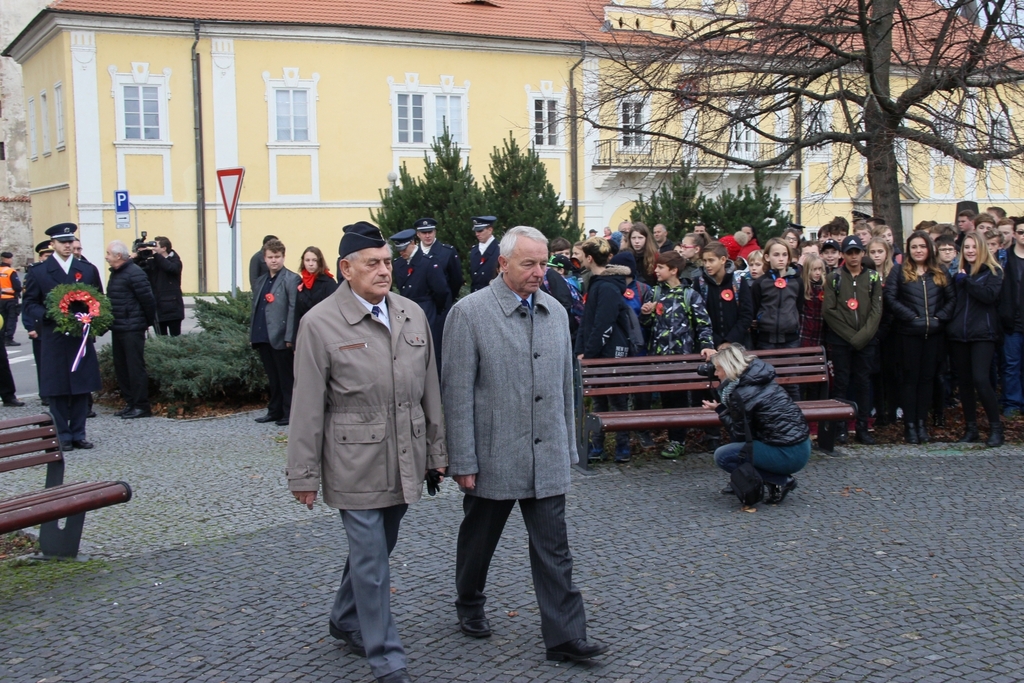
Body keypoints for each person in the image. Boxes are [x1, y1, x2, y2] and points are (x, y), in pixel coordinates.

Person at [287, 221, 447, 683]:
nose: (384, 271)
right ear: (346, 269)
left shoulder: (412, 314)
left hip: (405, 455)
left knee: (380, 547)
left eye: (387, 262)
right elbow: (306, 406)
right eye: (372, 263)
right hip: (352, 461)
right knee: (373, 560)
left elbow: (429, 390)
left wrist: (438, 451)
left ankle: (344, 616)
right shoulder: (319, 324)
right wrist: (303, 474)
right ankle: (386, 656)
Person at [441, 225, 608, 663]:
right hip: (494, 454)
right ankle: (469, 600)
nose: (539, 272)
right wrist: (462, 458)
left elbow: (565, 387)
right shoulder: (469, 314)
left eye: (543, 263)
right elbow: (455, 393)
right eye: (528, 263)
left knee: (555, 548)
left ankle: (565, 636)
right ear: (502, 264)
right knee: (479, 540)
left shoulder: (554, 310)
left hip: (547, 451)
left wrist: (569, 447)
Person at [22, 223, 103, 450]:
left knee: (80, 386)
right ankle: (62, 435)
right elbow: (30, 304)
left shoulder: (86, 269)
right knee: (57, 387)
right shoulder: (38, 272)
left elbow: (98, 299)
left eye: (70, 242)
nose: (68, 246)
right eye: (62, 243)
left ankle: (78, 433)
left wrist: (92, 318)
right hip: (54, 336)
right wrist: (48, 315)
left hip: (79, 336)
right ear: (53, 244)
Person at [706, 344, 810, 503]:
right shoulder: (756, 378)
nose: (715, 373)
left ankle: (780, 481)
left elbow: (739, 435)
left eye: (718, 369)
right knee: (739, 450)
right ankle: (771, 481)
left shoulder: (741, 393)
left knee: (723, 456)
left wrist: (722, 410)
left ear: (728, 369)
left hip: (789, 453)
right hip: (800, 446)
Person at [640, 251, 715, 459]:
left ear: (673, 271)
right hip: (660, 359)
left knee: (680, 399)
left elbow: (703, 325)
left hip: (682, 359)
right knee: (667, 399)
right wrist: (646, 313)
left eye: (660, 267)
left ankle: (678, 440)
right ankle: (673, 437)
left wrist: (707, 345)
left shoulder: (690, 295)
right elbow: (646, 326)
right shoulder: (654, 293)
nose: (656, 271)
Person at [885, 231, 956, 443]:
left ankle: (922, 424)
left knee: (927, 380)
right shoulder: (899, 271)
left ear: (929, 249)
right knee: (910, 380)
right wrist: (910, 317)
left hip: (934, 335)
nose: (918, 250)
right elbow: (890, 298)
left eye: (922, 246)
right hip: (908, 334)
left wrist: (938, 318)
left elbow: (952, 299)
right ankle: (910, 425)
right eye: (914, 247)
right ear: (909, 249)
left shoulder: (940, 271)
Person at [822, 235, 884, 445]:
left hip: (867, 340)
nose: (854, 256)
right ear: (843, 255)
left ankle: (862, 427)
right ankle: (840, 428)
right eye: (849, 252)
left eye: (857, 252)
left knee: (863, 383)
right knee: (841, 383)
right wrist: (851, 336)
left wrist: (863, 336)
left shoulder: (874, 278)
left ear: (862, 253)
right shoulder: (834, 278)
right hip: (841, 340)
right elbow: (829, 311)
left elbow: (877, 311)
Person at [575, 237, 633, 462]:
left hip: (610, 351)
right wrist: (581, 349)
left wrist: (589, 352)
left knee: (617, 400)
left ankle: (622, 447)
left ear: (589, 258)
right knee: (598, 401)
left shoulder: (607, 286)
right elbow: (587, 321)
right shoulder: (597, 282)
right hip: (596, 351)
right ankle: (597, 446)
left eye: (581, 255)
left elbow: (603, 324)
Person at [947, 233, 1005, 446]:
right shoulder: (959, 274)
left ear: (982, 249)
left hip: (983, 334)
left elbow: (988, 296)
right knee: (964, 383)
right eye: (966, 247)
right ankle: (971, 428)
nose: (970, 250)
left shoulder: (993, 272)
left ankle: (996, 428)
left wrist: (967, 281)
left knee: (981, 379)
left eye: (974, 247)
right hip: (959, 334)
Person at [250, 238, 300, 427]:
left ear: (283, 257)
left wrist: (290, 336)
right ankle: (274, 410)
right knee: (272, 377)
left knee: (285, 377)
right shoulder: (261, 280)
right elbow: (256, 307)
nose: (274, 261)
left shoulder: (291, 279)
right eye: (270, 257)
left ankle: (289, 412)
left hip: (281, 336)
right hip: (263, 335)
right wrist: (253, 333)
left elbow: (293, 308)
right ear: (265, 258)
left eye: (277, 257)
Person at [105, 240, 158, 419]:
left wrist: (145, 322)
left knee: (135, 368)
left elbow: (148, 300)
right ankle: (131, 402)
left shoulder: (134, 273)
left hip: (132, 328)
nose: (106, 257)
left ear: (118, 256)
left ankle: (141, 405)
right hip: (119, 326)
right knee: (122, 368)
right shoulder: (117, 273)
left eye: (108, 254)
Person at [750, 239, 803, 401]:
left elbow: (799, 307)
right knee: (768, 383)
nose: (781, 258)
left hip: (790, 339)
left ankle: (795, 422)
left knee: (791, 382)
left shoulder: (796, 282)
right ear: (767, 257)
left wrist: (792, 322)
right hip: (766, 340)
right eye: (776, 254)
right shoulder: (760, 283)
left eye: (784, 255)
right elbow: (755, 307)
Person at [391, 228, 450, 364]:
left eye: (404, 248)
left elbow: (441, 291)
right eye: (399, 249)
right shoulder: (398, 264)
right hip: (406, 311)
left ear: (413, 243)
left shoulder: (428, 262)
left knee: (430, 352)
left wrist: (435, 310)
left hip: (426, 309)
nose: (402, 252)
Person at [699, 241, 753, 349]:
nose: (707, 265)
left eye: (711, 260)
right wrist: (718, 341)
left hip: (738, 344)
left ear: (723, 260)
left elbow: (746, 315)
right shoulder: (700, 283)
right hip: (711, 345)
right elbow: (699, 317)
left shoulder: (738, 282)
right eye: (704, 261)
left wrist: (729, 341)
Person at [999, 218, 1024, 417]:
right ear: (1014, 234)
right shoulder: (1004, 259)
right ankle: (1012, 404)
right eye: (1021, 231)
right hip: (1011, 323)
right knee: (1011, 365)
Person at [136, 236, 185, 336]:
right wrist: (137, 256)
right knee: (161, 339)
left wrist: (156, 256)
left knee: (175, 339)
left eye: (155, 246)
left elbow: (170, 268)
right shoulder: (153, 260)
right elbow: (139, 270)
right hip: (158, 308)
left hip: (173, 308)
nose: (153, 248)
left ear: (164, 248)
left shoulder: (175, 260)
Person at [415, 217, 464, 302]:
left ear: (435, 232)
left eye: (430, 232)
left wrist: (448, 299)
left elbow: (457, 280)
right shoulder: (414, 253)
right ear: (418, 234)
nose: (427, 236)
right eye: (424, 233)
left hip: (441, 305)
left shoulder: (447, 252)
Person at [294, 246, 339, 328]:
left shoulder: (328, 282)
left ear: (320, 262)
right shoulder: (301, 283)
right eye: (307, 260)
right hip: (305, 328)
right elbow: (297, 312)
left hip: (324, 327)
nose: (311, 264)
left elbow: (334, 309)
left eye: (314, 260)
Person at [468, 216, 500, 292]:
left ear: (490, 230)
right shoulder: (474, 250)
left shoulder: (500, 249)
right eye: (475, 231)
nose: (477, 234)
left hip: (493, 294)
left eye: (480, 231)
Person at [0, 251, 22, 346]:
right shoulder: (10, 271)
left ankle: (2, 337)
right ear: (8, 259)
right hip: (11, 298)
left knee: (3, 319)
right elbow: (17, 287)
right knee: (11, 319)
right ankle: (9, 338)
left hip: (1, 299)